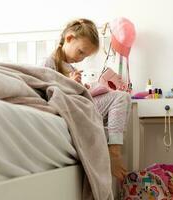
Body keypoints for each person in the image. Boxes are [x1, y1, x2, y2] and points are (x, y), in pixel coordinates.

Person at [44, 18, 131, 181]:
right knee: (120, 98)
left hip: (79, 104)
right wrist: (70, 83)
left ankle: (113, 149)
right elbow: (47, 91)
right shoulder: (49, 62)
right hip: (69, 108)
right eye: (81, 52)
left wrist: (84, 88)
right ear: (68, 39)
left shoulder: (70, 67)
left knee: (122, 97)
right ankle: (114, 152)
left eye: (85, 56)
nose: (81, 58)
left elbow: (75, 92)